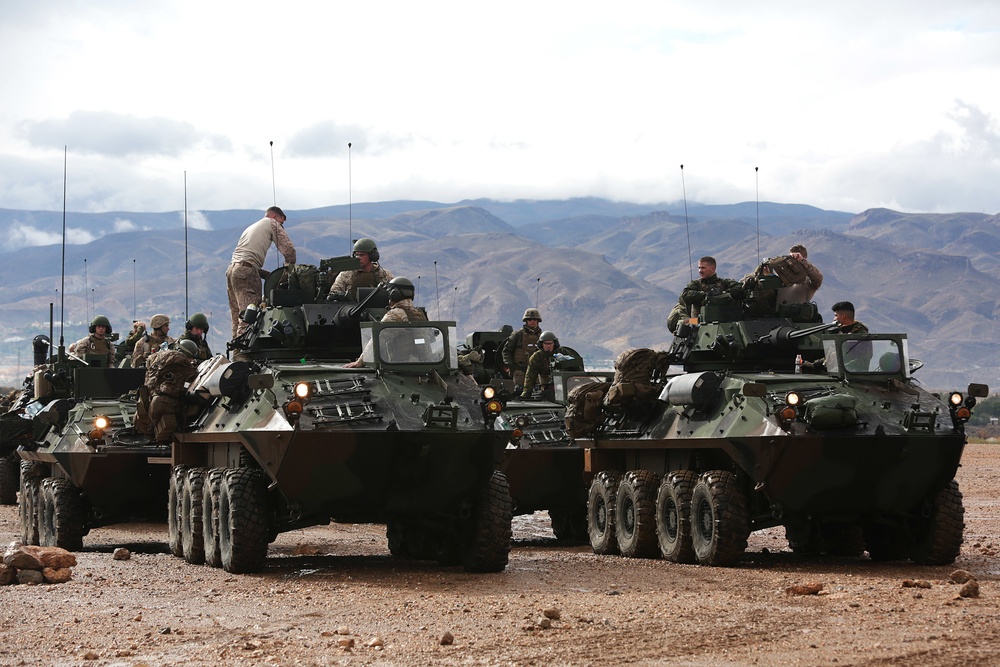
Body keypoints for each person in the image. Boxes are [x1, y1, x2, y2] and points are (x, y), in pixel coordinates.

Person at [227, 206, 297, 338]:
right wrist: (288, 272)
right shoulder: (272, 223)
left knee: (237, 314)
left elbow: (246, 259)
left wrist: (269, 276)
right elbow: (289, 250)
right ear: (275, 217)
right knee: (250, 312)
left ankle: (237, 349)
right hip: (245, 270)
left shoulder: (252, 227)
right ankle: (244, 352)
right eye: (281, 223)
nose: (281, 226)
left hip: (232, 270)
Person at [343, 277, 427, 368]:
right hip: (420, 365)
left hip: (401, 367)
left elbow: (378, 339)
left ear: (394, 294)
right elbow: (424, 342)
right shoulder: (419, 314)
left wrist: (361, 361)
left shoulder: (395, 314)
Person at [143, 339, 200, 444]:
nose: (191, 360)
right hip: (167, 405)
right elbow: (194, 376)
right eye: (190, 358)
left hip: (151, 402)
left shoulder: (157, 357)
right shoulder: (181, 361)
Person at [668, 257, 739, 332]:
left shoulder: (724, 283)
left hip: (724, 321)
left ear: (712, 269)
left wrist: (725, 293)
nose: (700, 271)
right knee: (685, 322)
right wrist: (705, 295)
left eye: (703, 268)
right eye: (699, 268)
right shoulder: (695, 284)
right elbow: (685, 295)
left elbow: (739, 289)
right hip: (697, 321)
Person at [329, 237, 394, 302]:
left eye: (362, 255)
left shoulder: (385, 275)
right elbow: (334, 293)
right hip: (352, 309)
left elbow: (395, 294)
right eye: (357, 255)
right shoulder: (346, 274)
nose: (358, 258)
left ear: (372, 256)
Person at [503, 308, 543, 392]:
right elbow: (506, 351)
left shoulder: (542, 336)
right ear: (526, 321)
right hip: (520, 370)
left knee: (538, 392)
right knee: (519, 392)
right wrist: (512, 366)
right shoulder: (518, 335)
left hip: (536, 370)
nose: (532, 321)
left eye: (534, 319)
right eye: (529, 319)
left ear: (538, 320)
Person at [521, 331, 559, 400]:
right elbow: (530, 376)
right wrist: (526, 393)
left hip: (564, 386)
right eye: (546, 344)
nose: (548, 346)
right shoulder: (537, 357)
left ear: (555, 344)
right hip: (546, 387)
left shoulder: (562, 353)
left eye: (550, 343)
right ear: (541, 344)